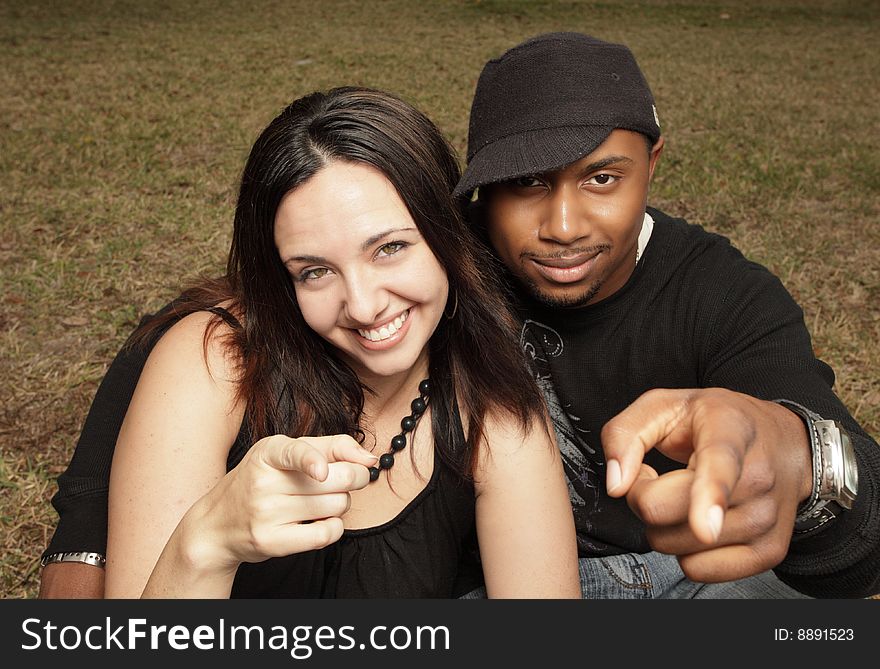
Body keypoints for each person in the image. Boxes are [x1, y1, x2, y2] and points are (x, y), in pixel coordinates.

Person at [41, 34, 880, 599]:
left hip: (665, 576)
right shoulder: (254, 332)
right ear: (470, 204)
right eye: (525, 184)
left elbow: (857, 527)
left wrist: (804, 453)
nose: (561, 226)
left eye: (601, 178)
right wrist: (180, 543)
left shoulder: (713, 297)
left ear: (652, 165)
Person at [42, 86, 580, 598]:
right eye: (315, 271)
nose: (365, 306)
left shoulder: (492, 400)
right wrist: (205, 543)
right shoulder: (212, 360)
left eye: (390, 248)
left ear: (449, 235)